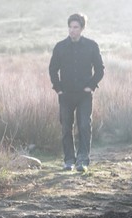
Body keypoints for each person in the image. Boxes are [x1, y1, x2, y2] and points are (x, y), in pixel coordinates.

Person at [49, 13, 104, 173]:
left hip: (84, 94)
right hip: (65, 95)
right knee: (66, 127)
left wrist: (92, 86)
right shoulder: (60, 47)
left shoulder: (91, 46)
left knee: (84, 126)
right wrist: (58, 89)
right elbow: (52, 69)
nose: (72, 30)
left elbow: (100, 69)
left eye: (76, 27)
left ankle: (82, 160)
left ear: (82, 28)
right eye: (70, 27)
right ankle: (69, 160)